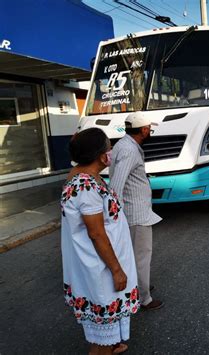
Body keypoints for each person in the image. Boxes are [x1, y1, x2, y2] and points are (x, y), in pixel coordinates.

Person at [61, 128, 139, 355]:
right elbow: (96, 233)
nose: (111, 151)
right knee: (100, 343)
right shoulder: (84, 187)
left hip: (101, 267)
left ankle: (112, 342)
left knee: (108, 325)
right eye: (108, 147)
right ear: (100, 156)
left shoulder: (85, 176)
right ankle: (106, 346)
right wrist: (117, 270)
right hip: (101, 271)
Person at [109, 112, 163, 310]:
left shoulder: (124, 145)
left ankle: (141, 285)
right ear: (144, 130)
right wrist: (117, 216)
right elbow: (116, 185)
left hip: (135, 212)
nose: (151, 132)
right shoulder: (129, 150)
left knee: (134, 255)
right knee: (141, 256)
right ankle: (144, 298)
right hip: (135, 215)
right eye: (150, 129)